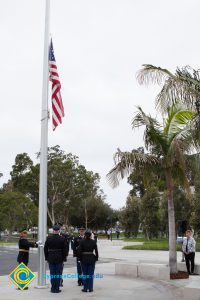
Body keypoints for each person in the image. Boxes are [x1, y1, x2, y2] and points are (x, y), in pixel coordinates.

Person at [44, 224, 67, 293]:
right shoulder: (62, 238)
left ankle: (53, 288)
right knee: (58, 274)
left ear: (53, 231)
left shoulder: (49, 238)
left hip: (51, 257)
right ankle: (57, 288)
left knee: (52, 274)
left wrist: (47, 257)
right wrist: (64, 258)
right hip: (59, 258)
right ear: (59, 230)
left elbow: (45, 249)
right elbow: (65, 250)